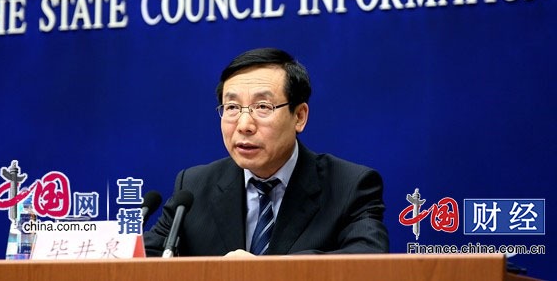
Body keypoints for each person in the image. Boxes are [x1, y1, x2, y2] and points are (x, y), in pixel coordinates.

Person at [143, 47, 389, 256]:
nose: (244, 125)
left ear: (299, 116)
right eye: (232, 107)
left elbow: (367, 260)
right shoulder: (194, 188)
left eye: (262, 106)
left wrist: (263, 272)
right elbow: (144, 259)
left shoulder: (349, 186)